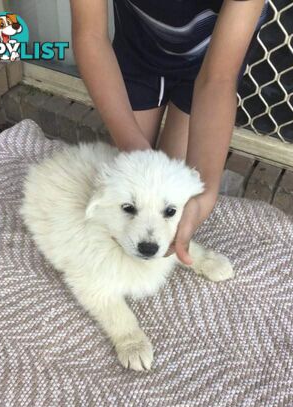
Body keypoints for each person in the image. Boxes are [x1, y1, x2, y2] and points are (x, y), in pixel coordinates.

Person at [70, 0, 268, 264]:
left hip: (210, 60)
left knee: (174, 200)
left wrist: (205, 191)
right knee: (126, 199)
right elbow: (90, 33)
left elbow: (217, 79)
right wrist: (133, 148)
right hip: (138, 48)